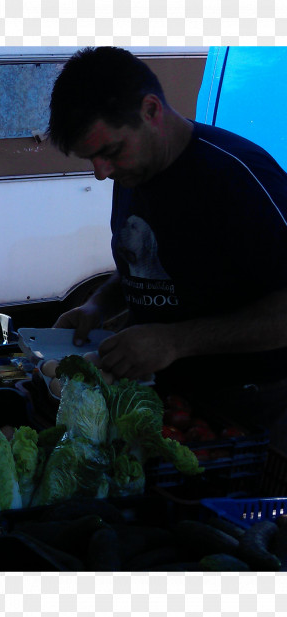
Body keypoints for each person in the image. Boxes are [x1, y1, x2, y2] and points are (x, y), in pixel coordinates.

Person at [47, 46, 287, 449]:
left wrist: (176, 341)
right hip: (171, 407)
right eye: (91, 160)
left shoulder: (236, 176)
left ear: (151, 110)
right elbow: (155, 266)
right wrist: (98, 305)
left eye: (110, 153)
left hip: (250, 417)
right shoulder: (135, 172)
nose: (102, 174)